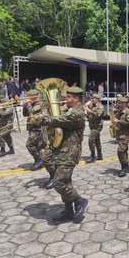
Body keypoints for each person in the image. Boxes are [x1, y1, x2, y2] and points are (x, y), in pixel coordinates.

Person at [35, 86, 88, 223]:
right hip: (61, 151)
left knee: (59, 182)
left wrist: (43, 119)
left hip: (70, 152)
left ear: (76, 98)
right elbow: (56, 114)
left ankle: (79, 201)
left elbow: (58, 120)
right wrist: (45, 111)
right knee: (66, 181)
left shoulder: (77, 112)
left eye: (68, 97)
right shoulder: (69, 109)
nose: (65, 99)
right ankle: (68, 211)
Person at [22, 89, 45, 170]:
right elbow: (25, 114)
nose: (28, 97)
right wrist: (24, 106)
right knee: (37, 146)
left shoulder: (39, 105)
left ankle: (38, 160)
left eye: (30, 96)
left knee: (29, 145)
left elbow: (32, 113)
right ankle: (39, 161)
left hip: (37, 129)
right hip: (32, 128)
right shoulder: (32, 104)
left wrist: (27, 104)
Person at [113, 96, 129, 177]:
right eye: (118, 102)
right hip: (120, 134)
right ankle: (126, 167)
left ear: (124, 103)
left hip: (126, 134)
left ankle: (124, 167)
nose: (118, 104)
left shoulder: (128, 112)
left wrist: (118, 121)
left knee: (120, 151)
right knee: (124, 151)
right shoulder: (119, 111)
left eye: (120, 103)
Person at [85, 94, 104, 163]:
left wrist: (89, 110)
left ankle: (92, 156)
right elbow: (88, 115)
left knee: (91, 139)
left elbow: (98, 115)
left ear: (97, 99)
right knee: (97, 141)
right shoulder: (91, 105)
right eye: (92, 98)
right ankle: (100, 155)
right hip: (92, 125)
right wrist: (86, 111)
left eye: (93, 98)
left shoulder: (100, 106)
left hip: (97, 126)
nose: (92, 99)